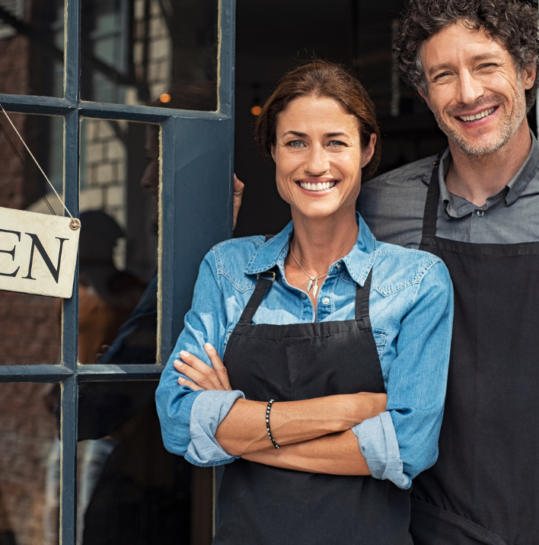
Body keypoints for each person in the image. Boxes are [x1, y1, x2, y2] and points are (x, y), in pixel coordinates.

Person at [156, 60, 453, 545]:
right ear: (272, 151)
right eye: (295, 142)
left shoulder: (416, 281)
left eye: (335, 142)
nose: (316, 164)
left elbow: (407, 446)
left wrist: (239, 435)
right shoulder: (229, 269)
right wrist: (348, 410)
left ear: (367, 148)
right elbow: (176, 417)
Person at [357, 0, 539, 544]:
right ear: (425, 95)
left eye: (486, 65)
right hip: (417, 529)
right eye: (444, 75)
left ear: (528, 71)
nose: (468, 93)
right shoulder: (376, 206)